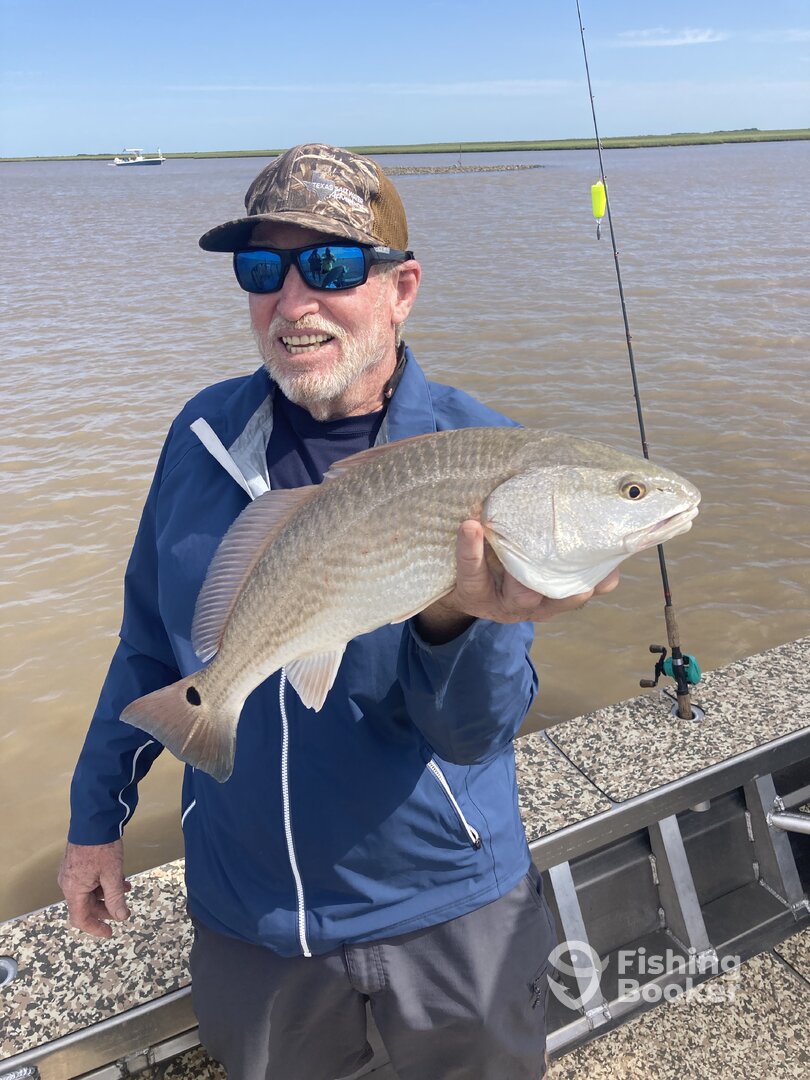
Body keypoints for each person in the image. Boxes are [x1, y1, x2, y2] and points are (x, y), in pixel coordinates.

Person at [58, 143, 619, 1080]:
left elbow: (473, 734)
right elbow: (147, 643)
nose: (292, 301)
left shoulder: (481, 456)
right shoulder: (200, 437)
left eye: (328, 264)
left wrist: (455, 622)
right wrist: (92, 820)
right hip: (253, 919)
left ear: (403, 287)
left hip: (444, 906)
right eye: (260, 268)